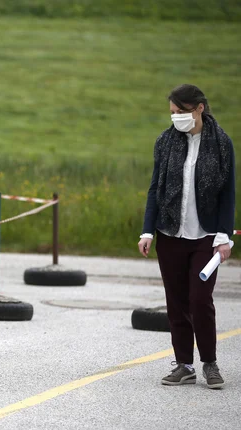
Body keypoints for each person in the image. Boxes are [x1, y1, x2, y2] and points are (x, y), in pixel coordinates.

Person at [138, 84, 235, 389]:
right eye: (172, 113)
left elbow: (228, 194)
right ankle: (184, 365)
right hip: (170, 233)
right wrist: (147, 230)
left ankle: (210, 363)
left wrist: (224, 236)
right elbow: (155, 188)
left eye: (180, 112)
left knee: (200, 299)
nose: (176, 118)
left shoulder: (221, 144)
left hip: (205, 236)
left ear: (199, 109)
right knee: (176, 302)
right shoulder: (165, 142)